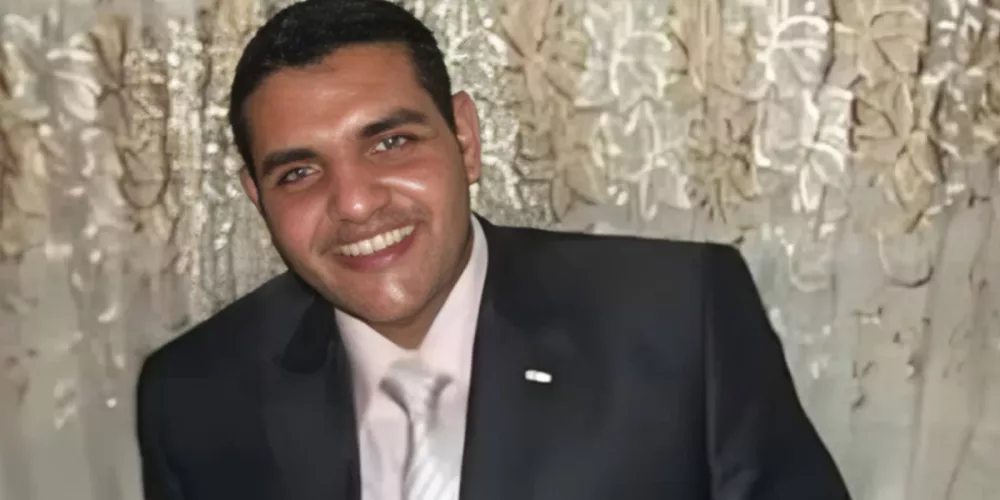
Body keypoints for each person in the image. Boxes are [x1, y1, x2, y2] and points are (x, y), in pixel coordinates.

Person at [135, 0, 851, 499]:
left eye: (391, 142)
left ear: (465, 139)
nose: (353, 203)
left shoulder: (678, 319)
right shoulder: (196, 394)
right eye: (299, 172)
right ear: (257, 198)